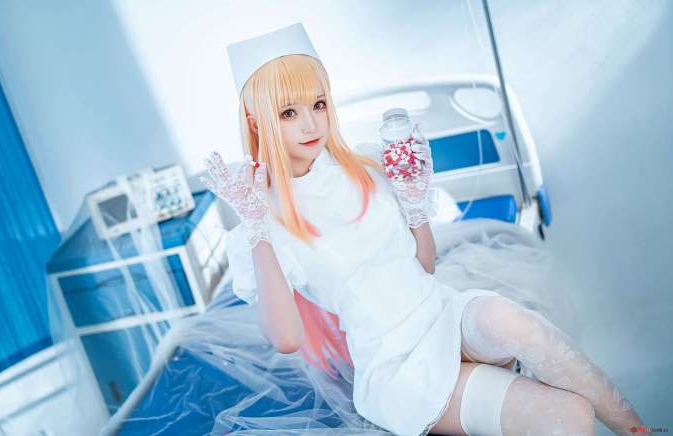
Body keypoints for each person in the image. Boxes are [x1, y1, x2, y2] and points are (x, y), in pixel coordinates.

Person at [198, 23, 648, 436]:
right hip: (398, 366)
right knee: (571, 416)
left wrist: (415, 205)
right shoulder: (267, 220)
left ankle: (639, 430)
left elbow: (424, 266)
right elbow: (286, 339)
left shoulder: (367, 166)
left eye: (318, 104)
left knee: (514, 322)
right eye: (288, 113)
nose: (311, 123)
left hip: (442, 312)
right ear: (256, 122)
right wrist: (256, 227)